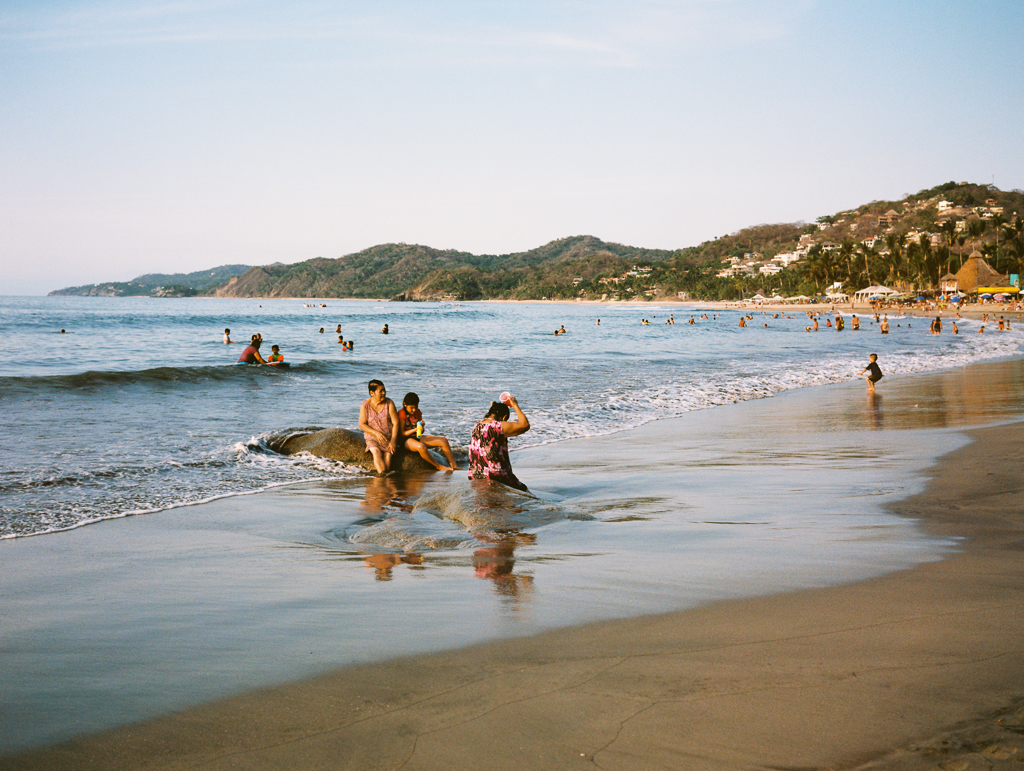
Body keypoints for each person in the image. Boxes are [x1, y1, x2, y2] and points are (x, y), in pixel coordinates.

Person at [467, 396, 531, 492]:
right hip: (495, 474)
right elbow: (525, 425)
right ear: (504, 417)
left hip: (475, 474)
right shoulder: (498, 426)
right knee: (525, 492)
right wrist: (515, 405)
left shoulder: (477, 425)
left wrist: (493, 407)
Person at [398, 392, 458, 471]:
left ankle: (454, 466)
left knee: (443, 441)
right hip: (405, 440)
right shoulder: (401, 414)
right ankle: (438, 466)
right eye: (411, 407)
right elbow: (401, 433)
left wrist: (422, 427)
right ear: (405, 404)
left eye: (416, 407)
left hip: (416, 436)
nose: (414, 410)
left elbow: (421, 431)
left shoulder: (418, 412)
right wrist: (415, 429)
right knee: (421, 447)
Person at [358, 380, 400, 475]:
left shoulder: (389, 403)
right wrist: (376, 433)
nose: (384, 393)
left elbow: (396, 422)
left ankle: (383, 475)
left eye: (384, 390)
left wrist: (393, 440)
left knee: (389, 455)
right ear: (372, 393)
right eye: (380, 391)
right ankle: (384, 474)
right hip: (373, 437)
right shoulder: (365, 405)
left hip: (388, 438)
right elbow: (361, 424)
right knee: (376, 452)